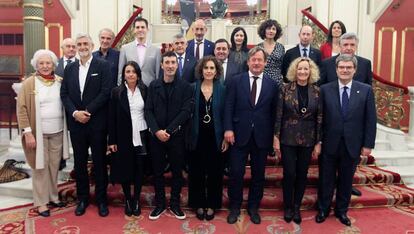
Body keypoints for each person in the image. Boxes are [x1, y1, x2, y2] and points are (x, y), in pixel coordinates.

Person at [315, 54, 376, 226]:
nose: (345, 70)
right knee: (326, 179)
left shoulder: (365, 90)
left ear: (354, 70)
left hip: (352, 144)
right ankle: (323, 209)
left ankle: (341, 211)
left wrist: (368, 144)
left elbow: (370, 120)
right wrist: (318, 141)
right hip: (329, 143)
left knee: (346, 180)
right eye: (341, 67)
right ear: (336, 69)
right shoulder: (325, 89)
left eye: (348, 67)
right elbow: (319, 118)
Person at [224, 47, 279, 225]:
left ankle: (253, 207)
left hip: (262, 137)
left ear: (265, 62)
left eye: (260, 60)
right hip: (238, 135)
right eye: (253, 59)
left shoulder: (272, 84)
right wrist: (228, 129)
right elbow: (228, 107)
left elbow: (274, 114)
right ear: (248, 62)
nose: (256, 63)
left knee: (258, 175)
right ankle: (234, 206)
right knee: (236, 173)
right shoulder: (235, 81)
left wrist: (273, 136)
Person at [60, 33, 112, 217]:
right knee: (80, 164)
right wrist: (75, 113)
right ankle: (82, 199)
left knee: (99, 163)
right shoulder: (70, 68)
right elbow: (64, 93)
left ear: (92, 45)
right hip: (76, 125)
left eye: (85, 44)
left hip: (96, 123)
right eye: (79, 44)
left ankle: (101, 200)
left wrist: (87, 111)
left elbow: (106, 92)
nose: (82, 47)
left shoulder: (103, 65)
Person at [17, 49, 69, 217]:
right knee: (40, 167)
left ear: (53, 65)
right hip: (38, 134)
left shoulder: (60, 81)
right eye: (42, 63)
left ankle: (53, 196)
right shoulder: (29, 83)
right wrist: (27, 132)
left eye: (48, 63)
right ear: (36, 65)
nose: (45, 66)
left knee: (54, 167)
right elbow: (22, 109)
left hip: (57, 132)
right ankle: (41, 203)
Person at [145, 51, 194, 220]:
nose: (171, 65)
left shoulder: (186, 87)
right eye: (167, 62)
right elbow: (148, 110)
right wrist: (157, 131)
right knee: (157, 172)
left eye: (173, 62)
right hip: (156, 136)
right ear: (162, 65)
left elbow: (186, 111)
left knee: (177, 172)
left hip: (177, 136)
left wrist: (169, 131)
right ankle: (159, 204)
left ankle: (174, 203)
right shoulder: (153, 85)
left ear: (177, 64)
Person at [274, 57, 322, 224]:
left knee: (302, 174)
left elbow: (320, 118)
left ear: (311, 72)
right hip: (287, 137)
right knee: (289, 173)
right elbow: (278, 114)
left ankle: (296, 207)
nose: (303, 72)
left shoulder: (317, 91)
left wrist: (318, 141)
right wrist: (276, 137)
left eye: (306, 69)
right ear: (295, 70)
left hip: (308, 139)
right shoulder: (285, 88)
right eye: (300, 69)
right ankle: (287, 206)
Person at [188, 56, 228, 221]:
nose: (209, 71)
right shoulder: (192, 88)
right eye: (206, 68)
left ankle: (212, 204)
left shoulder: (223, 89)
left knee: (215, 172)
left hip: (216, 137)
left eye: (212, 68)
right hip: (196, 136)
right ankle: (197, 203)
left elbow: (227, 115)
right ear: (201, 70)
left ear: (217, 71)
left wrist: (225, 136)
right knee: (196, 171)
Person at [107, 61, 148, 217]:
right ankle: (128, 199)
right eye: (127, 71)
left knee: (139, 168)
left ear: (138, 74)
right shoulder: (117, 92)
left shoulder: (144, 90)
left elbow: (148, 111)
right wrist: (112, 141)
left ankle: (136, 199)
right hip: (123, 135)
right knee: (125, 167)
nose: (130, 74)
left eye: (133, 72)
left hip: (141, 133)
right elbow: (111, 118)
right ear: (123, 74)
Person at [118, 17, 161, 86]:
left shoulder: (156, 50)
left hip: (150, 89)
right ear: (134, 30)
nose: (140, 30)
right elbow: (121, 73)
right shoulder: (125, 49)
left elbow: (158, 74)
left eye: (143, 27)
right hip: (131, 89)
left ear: (147, 29)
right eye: (137, 27)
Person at [257, 19, 285, 86]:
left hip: (277, 82)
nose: (271, 31)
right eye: (268, 28)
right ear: (264, 31)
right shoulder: (258, 47)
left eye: (273, 29)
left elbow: (283, 66)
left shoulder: (280, 47)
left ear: (276, 32)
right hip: (261, 81)